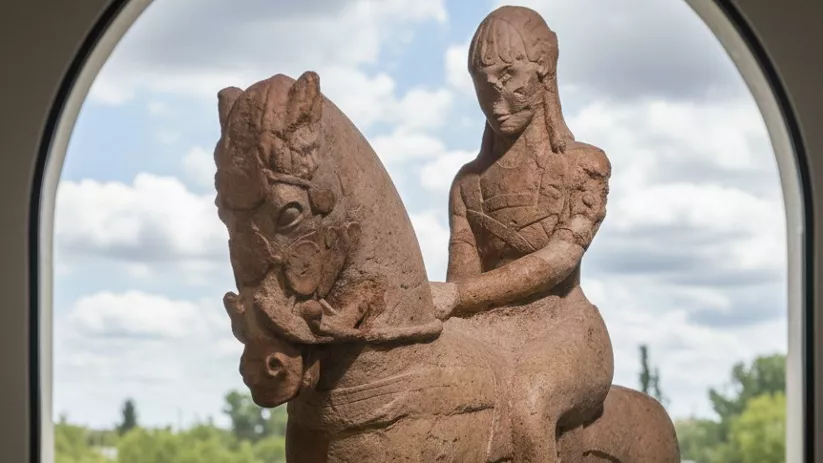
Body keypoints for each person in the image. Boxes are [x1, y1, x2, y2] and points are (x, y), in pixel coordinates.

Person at [430, 6, 615, 461]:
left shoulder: (582, 166)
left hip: (565, 326)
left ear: (543, 71)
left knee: (528, 405)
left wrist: (455, 297)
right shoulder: (468, 184)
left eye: (511, 78)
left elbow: (555, 262)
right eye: (484, 84)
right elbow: (463, 276)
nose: (497, 100)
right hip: (486, 330)